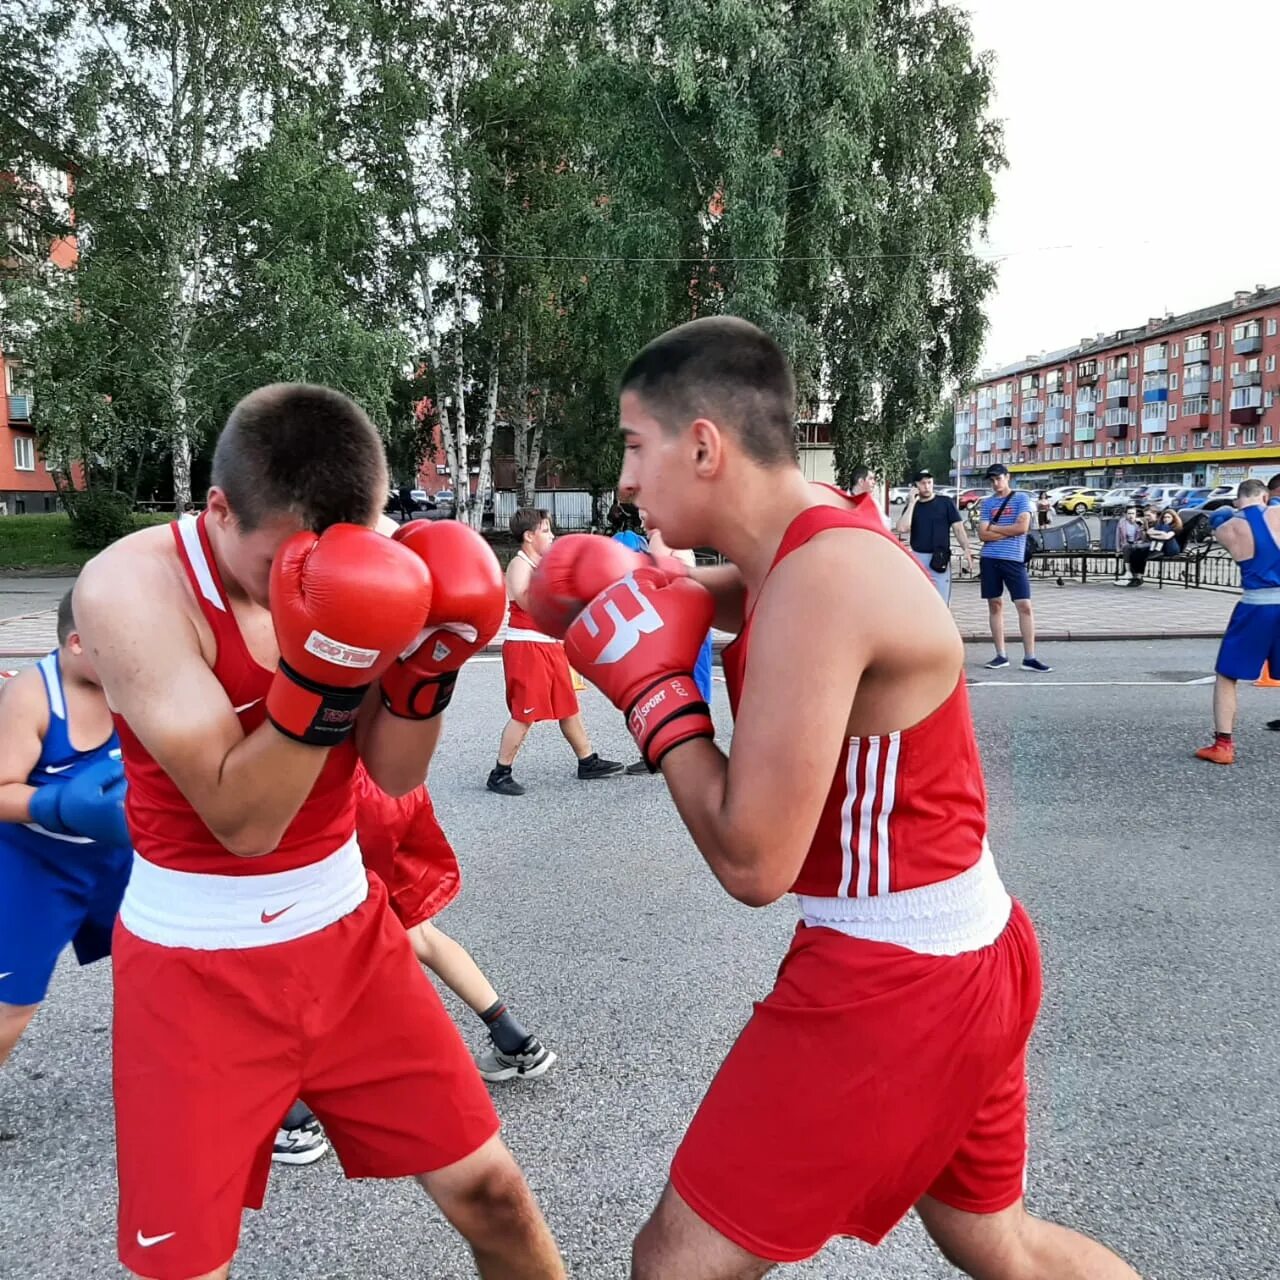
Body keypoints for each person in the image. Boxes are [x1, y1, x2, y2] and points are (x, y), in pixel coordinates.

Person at [527, 317, 1140, 1280]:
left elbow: (754, 862)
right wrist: (643, 586)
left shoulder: (822, 581)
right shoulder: (806, 534)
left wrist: (656, 697)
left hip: (898, 977)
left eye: (634, 447)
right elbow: (730, 594)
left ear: (703, 446)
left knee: (673, 1265)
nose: (626, 481)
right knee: (998, 1243)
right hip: (962, 941)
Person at [74, 384, 564, 1280]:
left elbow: (396, 775)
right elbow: (244, 820)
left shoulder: (367, 563)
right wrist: (334, 665)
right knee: (186, 1266)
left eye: (341, 549)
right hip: (196, 965)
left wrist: (425, 669)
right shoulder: (129, 587)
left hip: (349, 937)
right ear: (217, 509)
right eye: (278, 560)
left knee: (493, 1195)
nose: (302, 573)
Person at [355, 760, 557, 1081]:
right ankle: (512, 1037)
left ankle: (296, 1111)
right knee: (417, 932)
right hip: (394, 782)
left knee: (318, 945)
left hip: (340, 801)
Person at [0, 590, 132, 1070]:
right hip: (36, 863)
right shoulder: (32, 695)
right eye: (120, 642)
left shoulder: (137, 676)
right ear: (78, 642)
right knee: (11, 1004)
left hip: (122, 856)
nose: (135, 651)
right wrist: (54, 804)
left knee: (188, 968)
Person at [487, 507, 623, 796]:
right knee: (524, 714)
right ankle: (500, 772)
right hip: (527, 645)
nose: (552, 535)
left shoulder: (544, 565)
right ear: (528, 536)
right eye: (546, 530)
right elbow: (526, 601)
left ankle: (587, 761)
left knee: (568, 707)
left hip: (549, 645)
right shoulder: (520, 565)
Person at [1195, 478, 1280, 766]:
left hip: (1256, 605)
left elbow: (1220, 523)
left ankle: (1223, 745)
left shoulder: (1227, 527)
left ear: (1237, 500)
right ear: (1265, 496)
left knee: (1227, 675)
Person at [977, 465, 1051, 671]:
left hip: (1013, 559)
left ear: (1007, 478)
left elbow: (1022, 528)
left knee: (1024, 605)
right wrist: (1006, 531)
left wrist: (995, 528)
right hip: (990, 558)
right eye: (991, 480)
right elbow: (982, 534)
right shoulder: (988, 503)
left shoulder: (1021, 500)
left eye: (998, 479)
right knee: (995, 604)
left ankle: (1030, 657)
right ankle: (1000, 654)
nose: (995, 484)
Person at [895, 469, 974, 603]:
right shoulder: (913, 507)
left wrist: (966, 548)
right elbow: (902, 528)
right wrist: (912, 503)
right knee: (919, 599)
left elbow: (958, 528)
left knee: (941, 600)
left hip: (940, 557)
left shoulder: (945, 502)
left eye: (929, 482)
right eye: (922, 483)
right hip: (918, 556)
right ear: (916, 486)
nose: (926, 486)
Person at [1114, 505, 1150, 587]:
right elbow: (1117, 536)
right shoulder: (1122, 522)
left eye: (1133, 513)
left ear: (1136, 514)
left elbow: (1144, 538)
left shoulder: (1140, 522)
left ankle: (1131, 575)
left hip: (1137, 544)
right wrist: (1117, 549)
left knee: (1134, 551)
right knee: (1127, 547)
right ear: (1126, 514)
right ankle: (1128, 574)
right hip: (1126, 543)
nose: (1131, 515)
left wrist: (1141, 527)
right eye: (1129, 513)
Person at [850, 465, 894, 531]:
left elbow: (886, 526)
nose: (874, 482)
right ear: (861, 481)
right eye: (870, 479)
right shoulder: (843, 501)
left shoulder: (874, 503)